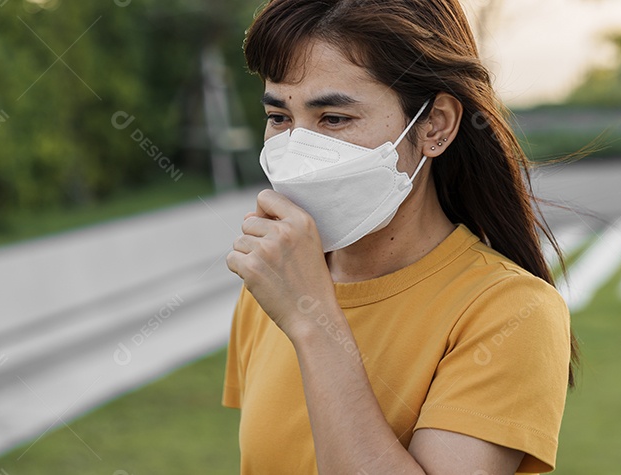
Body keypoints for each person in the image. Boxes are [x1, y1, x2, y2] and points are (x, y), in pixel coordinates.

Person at [221, 1, 580, 474]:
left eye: (333, 118)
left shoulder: (511, 312)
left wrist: (311, 322)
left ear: (435, 126)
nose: (297, 150)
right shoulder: (274, 283)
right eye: (280, 118)